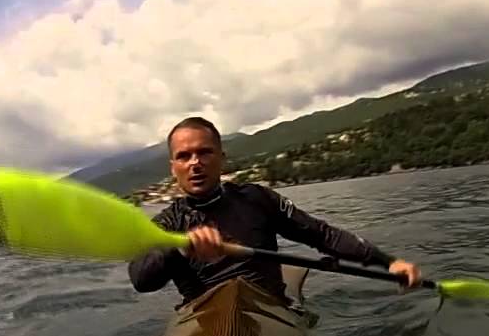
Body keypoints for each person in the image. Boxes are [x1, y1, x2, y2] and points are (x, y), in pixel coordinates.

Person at [128, 116, 422, 308]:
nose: (195, 163)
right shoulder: (166, 224)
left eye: (204, 152)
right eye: (184, 156)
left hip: (270, 312)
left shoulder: (256, 198)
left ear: (221, 157)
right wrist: (177, 248)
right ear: (173, 167)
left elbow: (321, 234)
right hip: (202, 321)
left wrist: (389, 262)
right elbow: (141, 280)